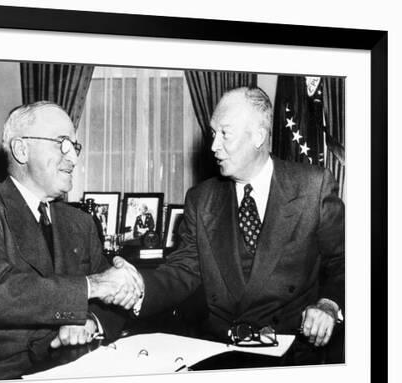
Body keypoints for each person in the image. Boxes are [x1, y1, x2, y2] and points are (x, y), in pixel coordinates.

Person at [116, 86, 344, 363]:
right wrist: (139, 285)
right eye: (213, 134)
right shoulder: (201, 199)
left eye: (225, 133)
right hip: (220, 353)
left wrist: (328, 305)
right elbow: (182, 270)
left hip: (292, 354)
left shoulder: (313, 186)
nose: (213, 146)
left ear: (258, 136)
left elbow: (344, 263)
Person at [0, 102, 140, 380]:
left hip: (75, 368)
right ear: (21, 150)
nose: (74, 158)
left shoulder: (80, 222)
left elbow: (112, 301)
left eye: (75, 147)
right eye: (62, 143)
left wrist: (90, 320)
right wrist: (96, 286)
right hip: (3, 378)